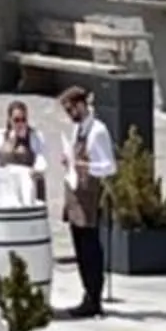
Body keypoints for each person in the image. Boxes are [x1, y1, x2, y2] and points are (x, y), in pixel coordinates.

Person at [57, 84, 117, 317]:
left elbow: (109, 166)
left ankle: (94, 296)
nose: (70, 114)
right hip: (75, 193)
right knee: (79, 248)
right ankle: (87, 293)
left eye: (71, 109)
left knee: (91, 248)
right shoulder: (78, 129)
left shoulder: (98, 131)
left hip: (90, 196)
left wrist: (87, 166)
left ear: (82, 105)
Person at [0, 100, 46, 205]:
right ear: (9, 119)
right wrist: (1, 172)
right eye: (16, 120)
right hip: (6, 190)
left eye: (23, 120)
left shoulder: (35, 136)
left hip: (31, 191)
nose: (20, 124)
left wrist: (36, 170)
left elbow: (41, 160)